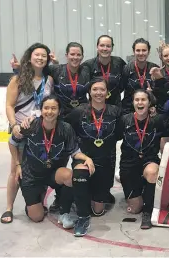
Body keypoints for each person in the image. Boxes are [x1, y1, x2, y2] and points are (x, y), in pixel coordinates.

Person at [9, 95, 95, 237]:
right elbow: (12, 142)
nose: (50, 111)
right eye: (46, 108)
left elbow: (74, 151)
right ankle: (36, 200)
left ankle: (64, 212)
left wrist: (86, 158)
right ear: (41, 110)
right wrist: (17, 164)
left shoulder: (65, 128)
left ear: (59, 111)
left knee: (69, 175)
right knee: (37, 217)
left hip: (53, 172)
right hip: (31, 175)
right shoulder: (30, 125)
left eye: (53, 108)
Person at [1, 43, 54, 224]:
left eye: (44, 56)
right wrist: (14, 124)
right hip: (22, 130)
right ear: (29, 57)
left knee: (41, 168)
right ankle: (9, 207)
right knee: (16, 169)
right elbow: (9, 105)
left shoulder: (49, 80)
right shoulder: (18, 80)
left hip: (41, 132)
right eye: (37, 55)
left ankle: (36, 202)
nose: (40, 58)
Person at [118, 89, 169, 229]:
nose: (140, 102)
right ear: (133, 103)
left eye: (143, 99)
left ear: (149, 103)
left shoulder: (158, 120)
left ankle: (148, 212)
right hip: (129, 164)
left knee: (151, 172)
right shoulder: (124, 120)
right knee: (135, 208)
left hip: (149, 160)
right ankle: (144, 189)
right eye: (137, 100)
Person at [64, 77, 122, 217]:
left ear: (107, 92)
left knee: (97, 211)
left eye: (102, 89)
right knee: (82, 190)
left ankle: (98, 195)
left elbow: (119, 134)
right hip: (84, 159)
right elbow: (66, 129)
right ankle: (76, 195)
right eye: (95, 89)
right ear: (89, 92)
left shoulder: (115, 112)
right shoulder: (79, 112)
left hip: (107, 161)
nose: (99, 93)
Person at [82, 35, 126, 107]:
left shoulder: (119, 62)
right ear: (97, 47)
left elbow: (125, 81)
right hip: (94, 108)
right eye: (102, 45)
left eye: (108, 46)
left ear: (112, 48)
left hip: (115, 107)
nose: (105, 49)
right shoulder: (88, 65)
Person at [121, 38, 159, 115]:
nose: (141, 53)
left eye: (144, 50)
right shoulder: (126, 69)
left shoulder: (155, 69)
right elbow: (120, 89)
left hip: (150, 111)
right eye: (138, 50)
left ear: (148, 52)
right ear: (133, 51)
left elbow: (160, 92)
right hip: (129, 112)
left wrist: (152, 93)